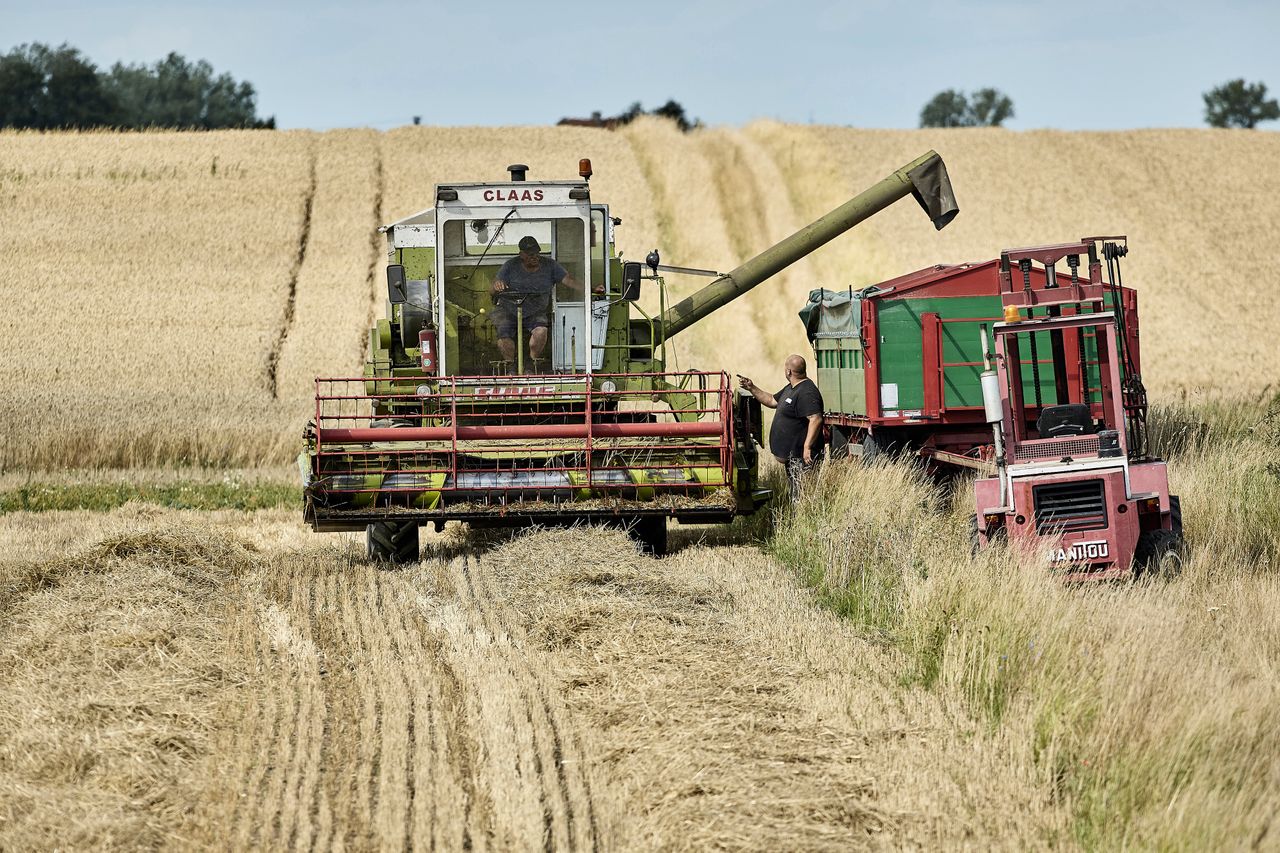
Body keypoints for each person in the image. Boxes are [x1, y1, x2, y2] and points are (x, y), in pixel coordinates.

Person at [739, 354, 825, 499]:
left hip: (803, 457)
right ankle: (799, 518)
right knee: (796, 494)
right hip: (794, 458)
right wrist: (751, 387)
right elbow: (772, 400)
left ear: (789, 371)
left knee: (804, 495)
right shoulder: (791, 388)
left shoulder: (807, 391)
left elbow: (816, 419)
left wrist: (807, 447)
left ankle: (804, 519)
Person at [491, 235, 577, 368]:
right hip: (508, 310)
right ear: (521, 254)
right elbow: (492, 288)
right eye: (531, 254)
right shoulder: (510, 266)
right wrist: (497, 285)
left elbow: (569, 280)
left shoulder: (550, 265)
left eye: (537, 253)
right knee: (503, 332)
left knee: (541, 331)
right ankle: (510, 365)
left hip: (536, 311)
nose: (535, 257)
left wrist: (591, 289)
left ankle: (531, 363)